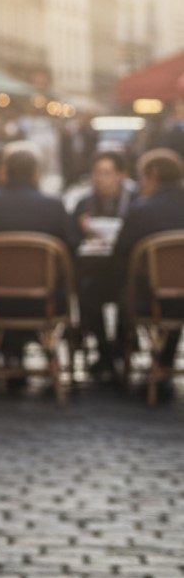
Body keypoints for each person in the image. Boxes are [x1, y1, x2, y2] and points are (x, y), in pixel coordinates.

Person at [0, 142, 76, 372]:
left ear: (5, 172)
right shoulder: (53, 206)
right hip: (45, 302)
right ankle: (20, 348)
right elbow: (71, 251)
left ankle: (9, 351)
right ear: (36, 173)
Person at [111, 148, 184, 396]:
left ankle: (119, 358)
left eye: (142, 177)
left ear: (152, 175)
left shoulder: (142, 210)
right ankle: (163, 362)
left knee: (122, 286)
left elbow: (121, 252)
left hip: (151, 298)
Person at [71, 151, 136, 378]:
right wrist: (84, 231)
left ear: (121, 175)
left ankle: (121, 346)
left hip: (128, 271)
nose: (100, 179)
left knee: (130, 294)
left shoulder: (136, 201)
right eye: (97, 173)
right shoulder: (84, 203)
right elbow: (71, 240)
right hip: (94, 271)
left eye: (107, 173)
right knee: (85, 290)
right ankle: (104, 350)